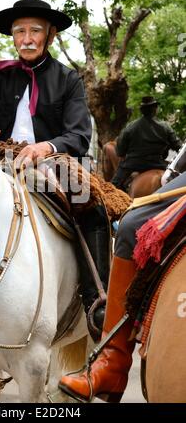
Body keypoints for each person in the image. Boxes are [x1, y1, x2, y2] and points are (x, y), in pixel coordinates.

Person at [0, 0, 110, 335]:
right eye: (20, 31)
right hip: (0, 162)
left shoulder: (69, 79)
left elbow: (80, 134)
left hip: (54, 163)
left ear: (50, 36)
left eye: (34, 31)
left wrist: (46, 147)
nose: (26, 38)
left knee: (91, 205)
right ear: (13, 36)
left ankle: (96, 300)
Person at [59, 169, 186, 402]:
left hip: (59, 156)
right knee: (130, 226)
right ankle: (112, 362)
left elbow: (79, 135)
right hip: (12, 161)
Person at [112, 96, 181, 190]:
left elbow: (120, 151)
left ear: (142, 110)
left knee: (113, 188)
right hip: (158, 163)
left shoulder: (130, 127)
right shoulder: (166, 127)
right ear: (155, 109)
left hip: (133, 163)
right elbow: (178, 147)